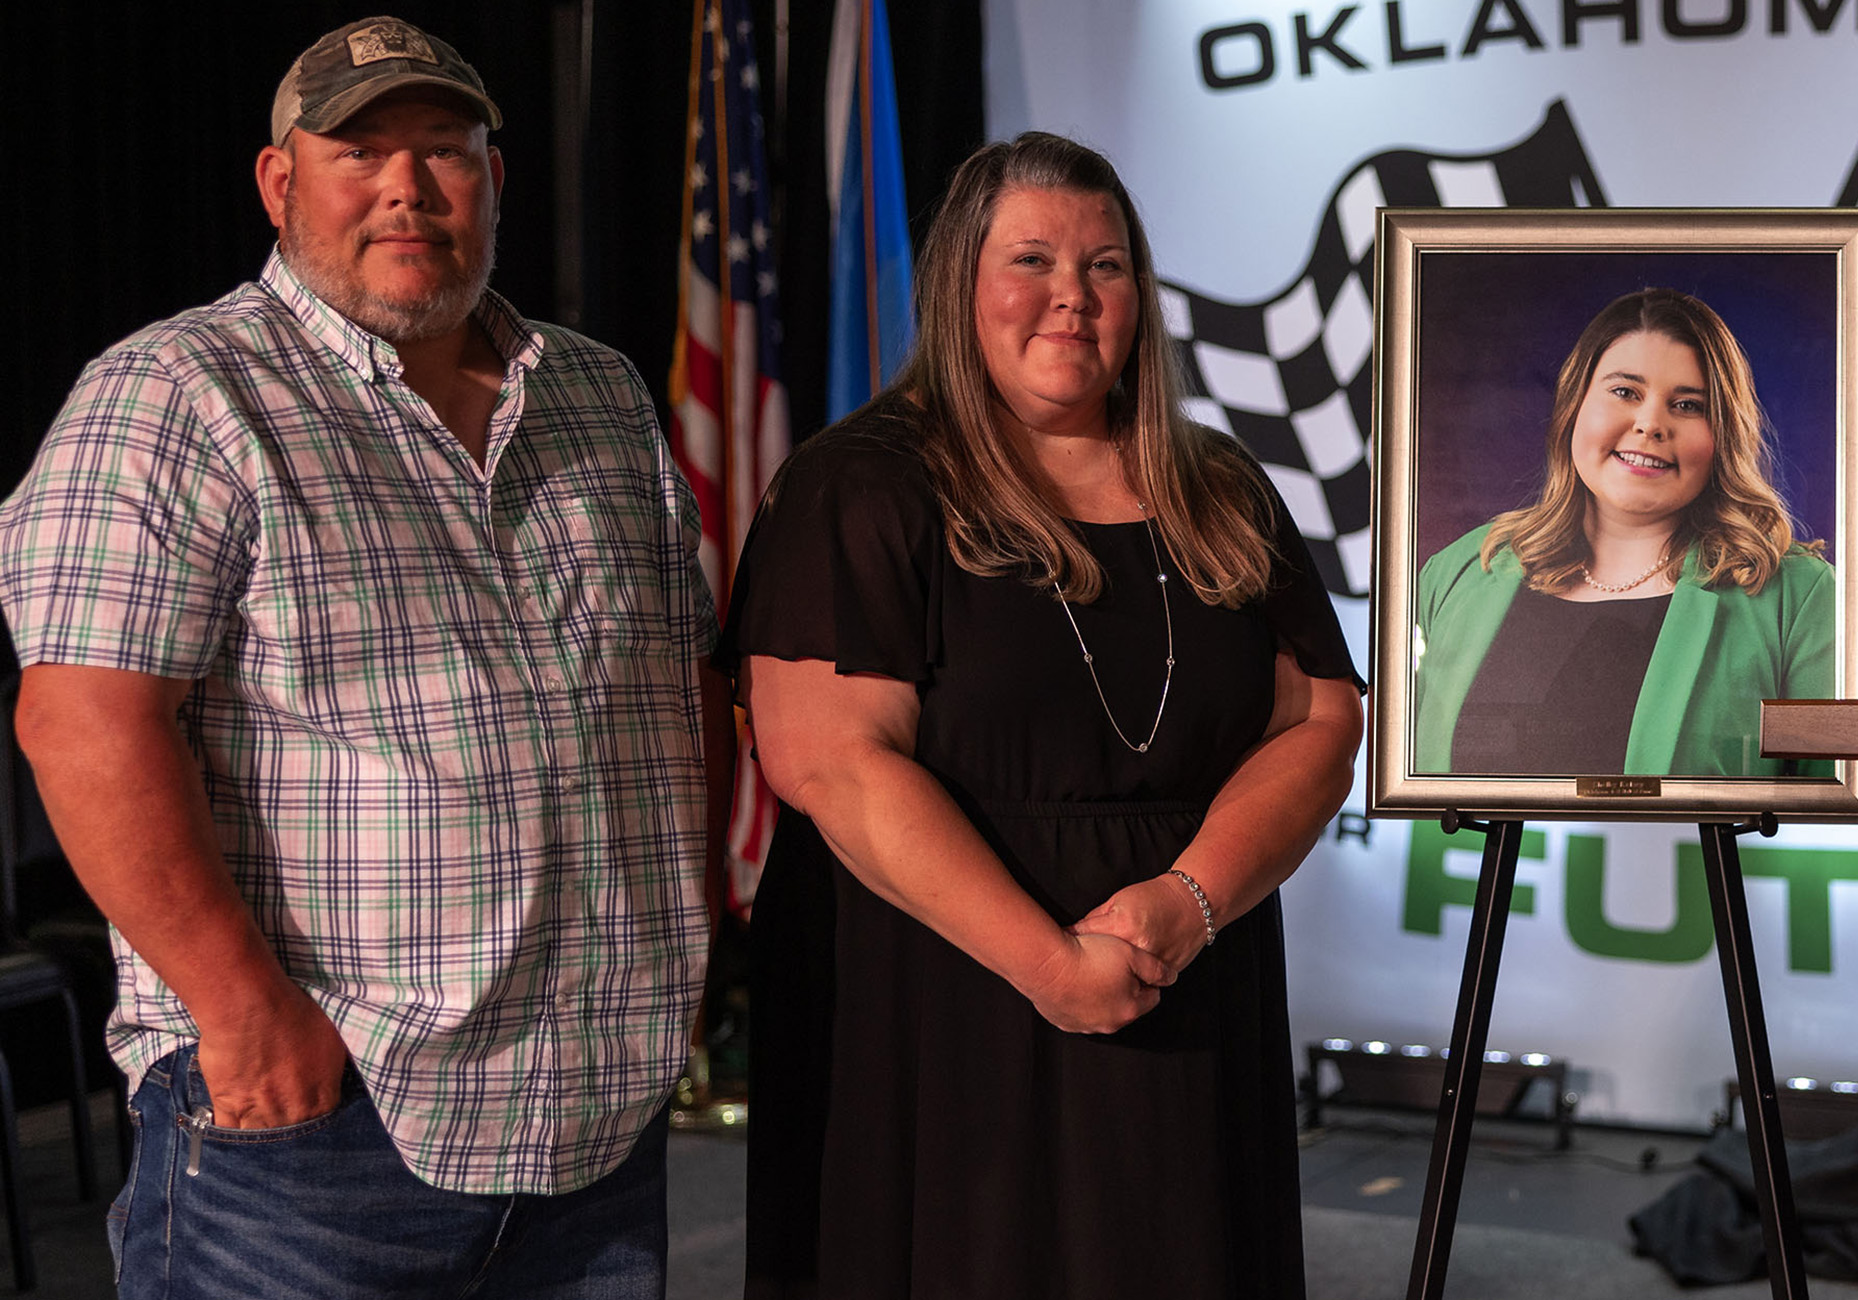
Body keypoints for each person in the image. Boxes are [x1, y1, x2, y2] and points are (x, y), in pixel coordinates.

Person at [0, 17, 724, 1298]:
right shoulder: (178, 395)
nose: (406, 187)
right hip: (323, 1131)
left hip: (595, 1130)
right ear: (280, 184)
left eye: (443, 150)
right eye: (360, 152)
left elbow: (674, 691)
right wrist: (244, 1014)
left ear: (493, 181)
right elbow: (83, 725)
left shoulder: (601, 396)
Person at [724, 132, 1364, 1298]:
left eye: (1105, 266)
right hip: (935, 999)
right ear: (959, 283)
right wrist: (1052, 965)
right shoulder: (860, 484)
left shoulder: (1218, 486)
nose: (1071, 296)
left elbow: (1319, 718)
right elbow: (832, 764)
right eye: (1032, 260)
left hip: (1183, 976)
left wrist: (1188, 901)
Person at [1412, 287, 1833, 776]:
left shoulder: (1798, 597)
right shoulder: (1461, 571)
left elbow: (1830, 811)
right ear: (1575, 406)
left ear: (1724, 435)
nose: (1650, 424)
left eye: (1689, 405)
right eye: (1625, 392)